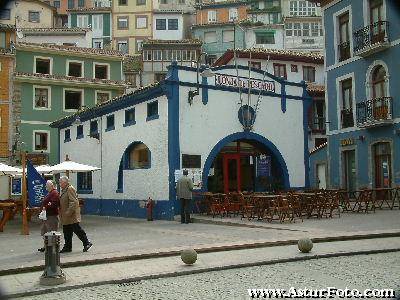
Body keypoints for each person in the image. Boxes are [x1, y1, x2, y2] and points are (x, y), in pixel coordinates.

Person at [59, 176, 93, 253]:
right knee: (67, 231)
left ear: (65, 182)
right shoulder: (64, 190)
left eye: (61, 182)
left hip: (71, 215)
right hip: (66, 216)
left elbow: (74, 202)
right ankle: (67, 246)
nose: (60, 184)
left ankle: (87, 243)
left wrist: (68, 212)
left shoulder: (70, 189)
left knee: (77, 230)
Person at [38, 180, 60, 252]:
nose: (46, 187)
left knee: (51, 232)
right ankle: (46, 246)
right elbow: (49, 202)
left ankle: (51, 248)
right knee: (45, 231)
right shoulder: (50, 193)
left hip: (52, 216)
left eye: (47, 185)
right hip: (47, 216)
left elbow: (54, 204)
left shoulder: (55, 193)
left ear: (52, 186)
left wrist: (46, 206)